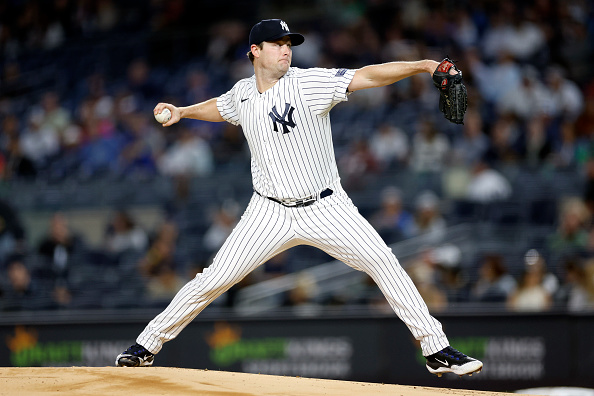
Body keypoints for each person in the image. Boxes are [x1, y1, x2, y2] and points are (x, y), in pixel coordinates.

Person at [115, 19, 483, 377]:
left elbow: (367, 75)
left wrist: (423, 65)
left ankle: (435, 349)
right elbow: (223, 107)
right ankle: (145, 346)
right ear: (255, 51)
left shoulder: (309, 83)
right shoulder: (243, 92)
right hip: (268, 211)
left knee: (384, 262)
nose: (286, 51)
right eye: (278, 44)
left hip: (326, 206)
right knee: (212, 279)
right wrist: (184, 111)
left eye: (289, 45)